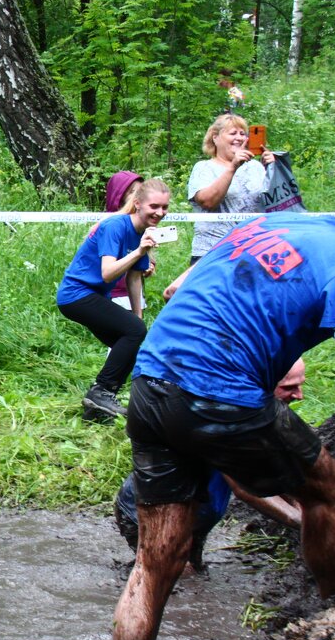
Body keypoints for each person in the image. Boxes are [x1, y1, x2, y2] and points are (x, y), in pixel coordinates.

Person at [112, 162, 335, 640]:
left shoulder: (277, 226)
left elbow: (182, 285)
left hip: (151, 383)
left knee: (155, 561)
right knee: (327, 485)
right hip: (219, 392)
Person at [114, 360, 307, 571]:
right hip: (148, 511)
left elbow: (281, 474)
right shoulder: (225, 417)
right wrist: (300, 521)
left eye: (299, 385)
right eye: (290, 387)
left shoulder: (263, 416)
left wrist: (306, 509)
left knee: (189, 574)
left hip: (196, 516)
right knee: (173, 578)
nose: (299, 395)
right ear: (263, 384)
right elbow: (243, 487)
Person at [56, 179, 170, 422]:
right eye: (154, 206)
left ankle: (98, 409)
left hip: (94, 295)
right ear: (137, 204)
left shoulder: (141, 233)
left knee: (130, 341)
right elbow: (108, 272)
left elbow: (135, 277)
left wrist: (137, 316)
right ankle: (102, 391)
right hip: (76, 295)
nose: (160, 213)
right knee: (133, 332)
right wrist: (139, 251)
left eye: (165, 207)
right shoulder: (115, 226)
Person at [162, 113, 278, 300]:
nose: (239, 138)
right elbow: (207, 201)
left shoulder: (257, 168)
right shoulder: (204, 167)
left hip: (251, 252)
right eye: (233, 133)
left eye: (243, 133)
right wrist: (232, 168)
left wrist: (274, 170)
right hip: (212, 251)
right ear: (215, 138)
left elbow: (276, 204)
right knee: (205, 306)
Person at [101, 171, 153, 311]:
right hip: (112, 292)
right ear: (118, 195)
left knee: (136, 330)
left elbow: (140, 256)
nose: (136, 196)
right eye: (131, 192)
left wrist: (148, 266)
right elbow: (106, 267)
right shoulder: (111, 225)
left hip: (133, 290)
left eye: (140, 191)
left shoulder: (140, 224)